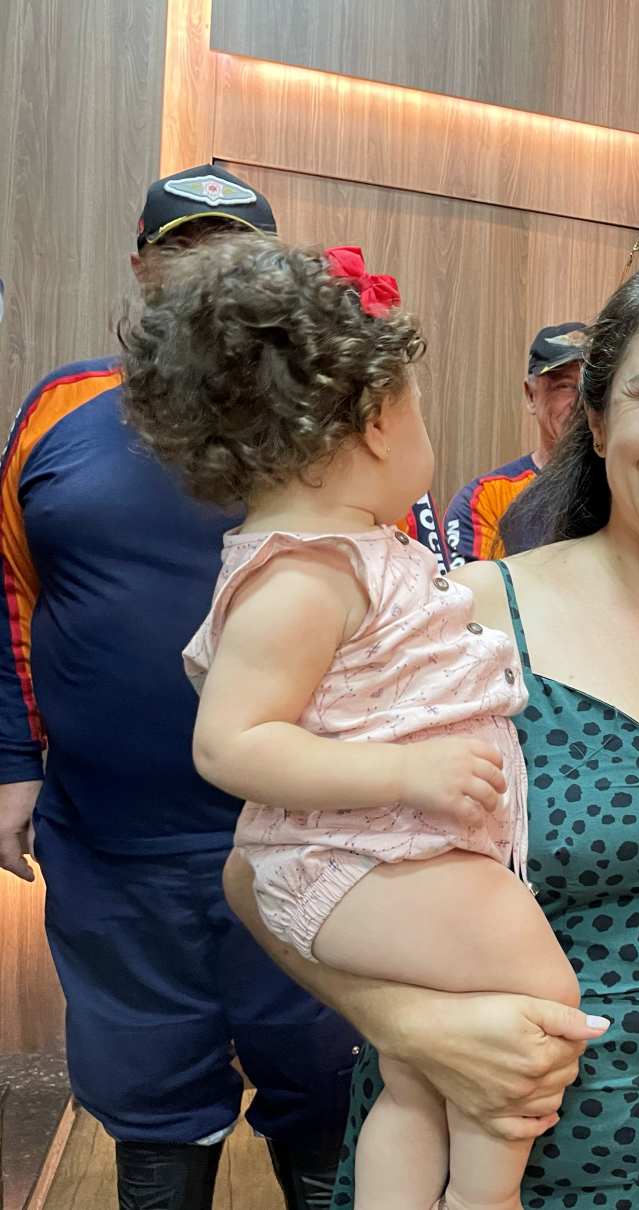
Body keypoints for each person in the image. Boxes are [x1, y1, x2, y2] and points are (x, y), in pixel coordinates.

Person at [226, 256, 639, 1208]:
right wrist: (401, 1023)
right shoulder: (459, 618)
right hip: (482, 1173)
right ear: (596, 419)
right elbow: (260, 870)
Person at [119, 233, 584, 1210]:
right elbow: (230, 742)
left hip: (391, 853)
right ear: (377, 420)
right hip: (352, 859)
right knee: (540, 998)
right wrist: (405, 776)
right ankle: (487, 1199)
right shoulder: (303, 575)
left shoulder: (356, 548)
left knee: (417, 1074)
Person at [0, 164, 361, 1210]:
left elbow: (392, 598)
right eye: (183, 250)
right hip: (113, 845)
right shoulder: (60, 408)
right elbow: (7, 584)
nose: (207, 273)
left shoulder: (330, 414)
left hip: (303, 840)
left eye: (235, 253)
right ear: (141, 270)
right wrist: (12, 759)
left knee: (324, 1093)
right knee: (151, 1104)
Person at [444, 322, 586, 566]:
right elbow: (474, 589)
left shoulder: (626, 490)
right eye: (564, 386)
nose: (580, 401)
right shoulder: (485, 500)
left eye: (591, 386)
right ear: (531, 395)